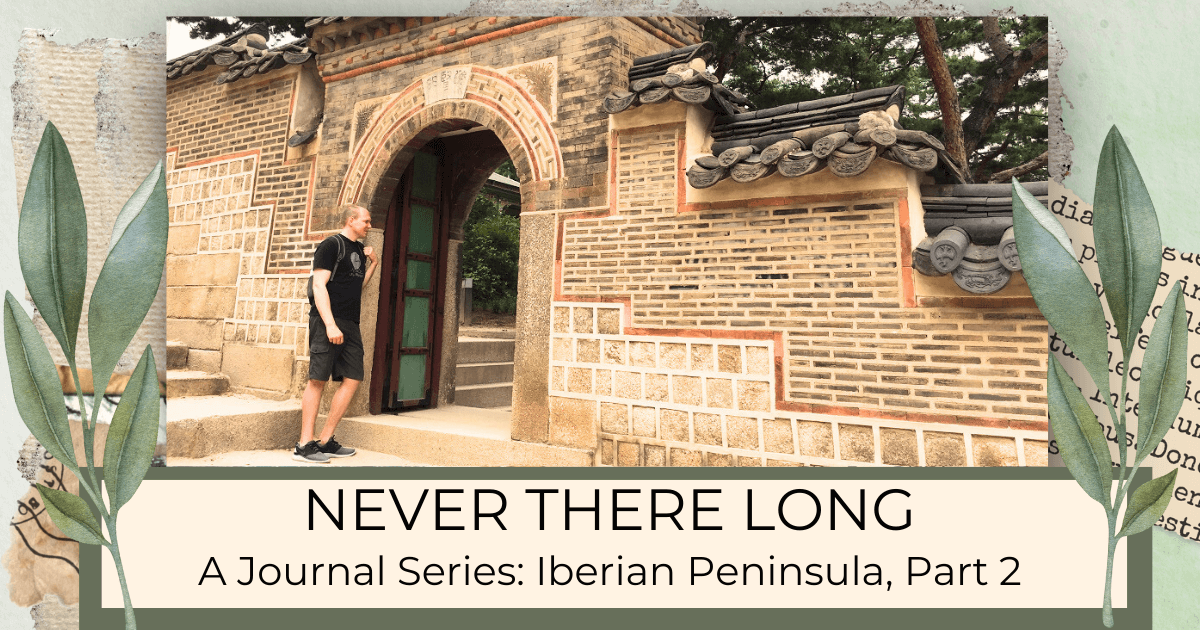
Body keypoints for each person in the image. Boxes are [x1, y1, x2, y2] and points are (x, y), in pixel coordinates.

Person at [294, 204, 379, 463]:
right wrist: (330, 324)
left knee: (353, 377)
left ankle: (325, 441)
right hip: (326, 320)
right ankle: (304, 445)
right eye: (365, 221)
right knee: (318, 379)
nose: (369, 225)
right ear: (351, 220)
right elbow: (319, 286)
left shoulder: (357, 250)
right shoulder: (331, 245)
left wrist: (374, 262)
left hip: (350, 323)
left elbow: (357, 285)